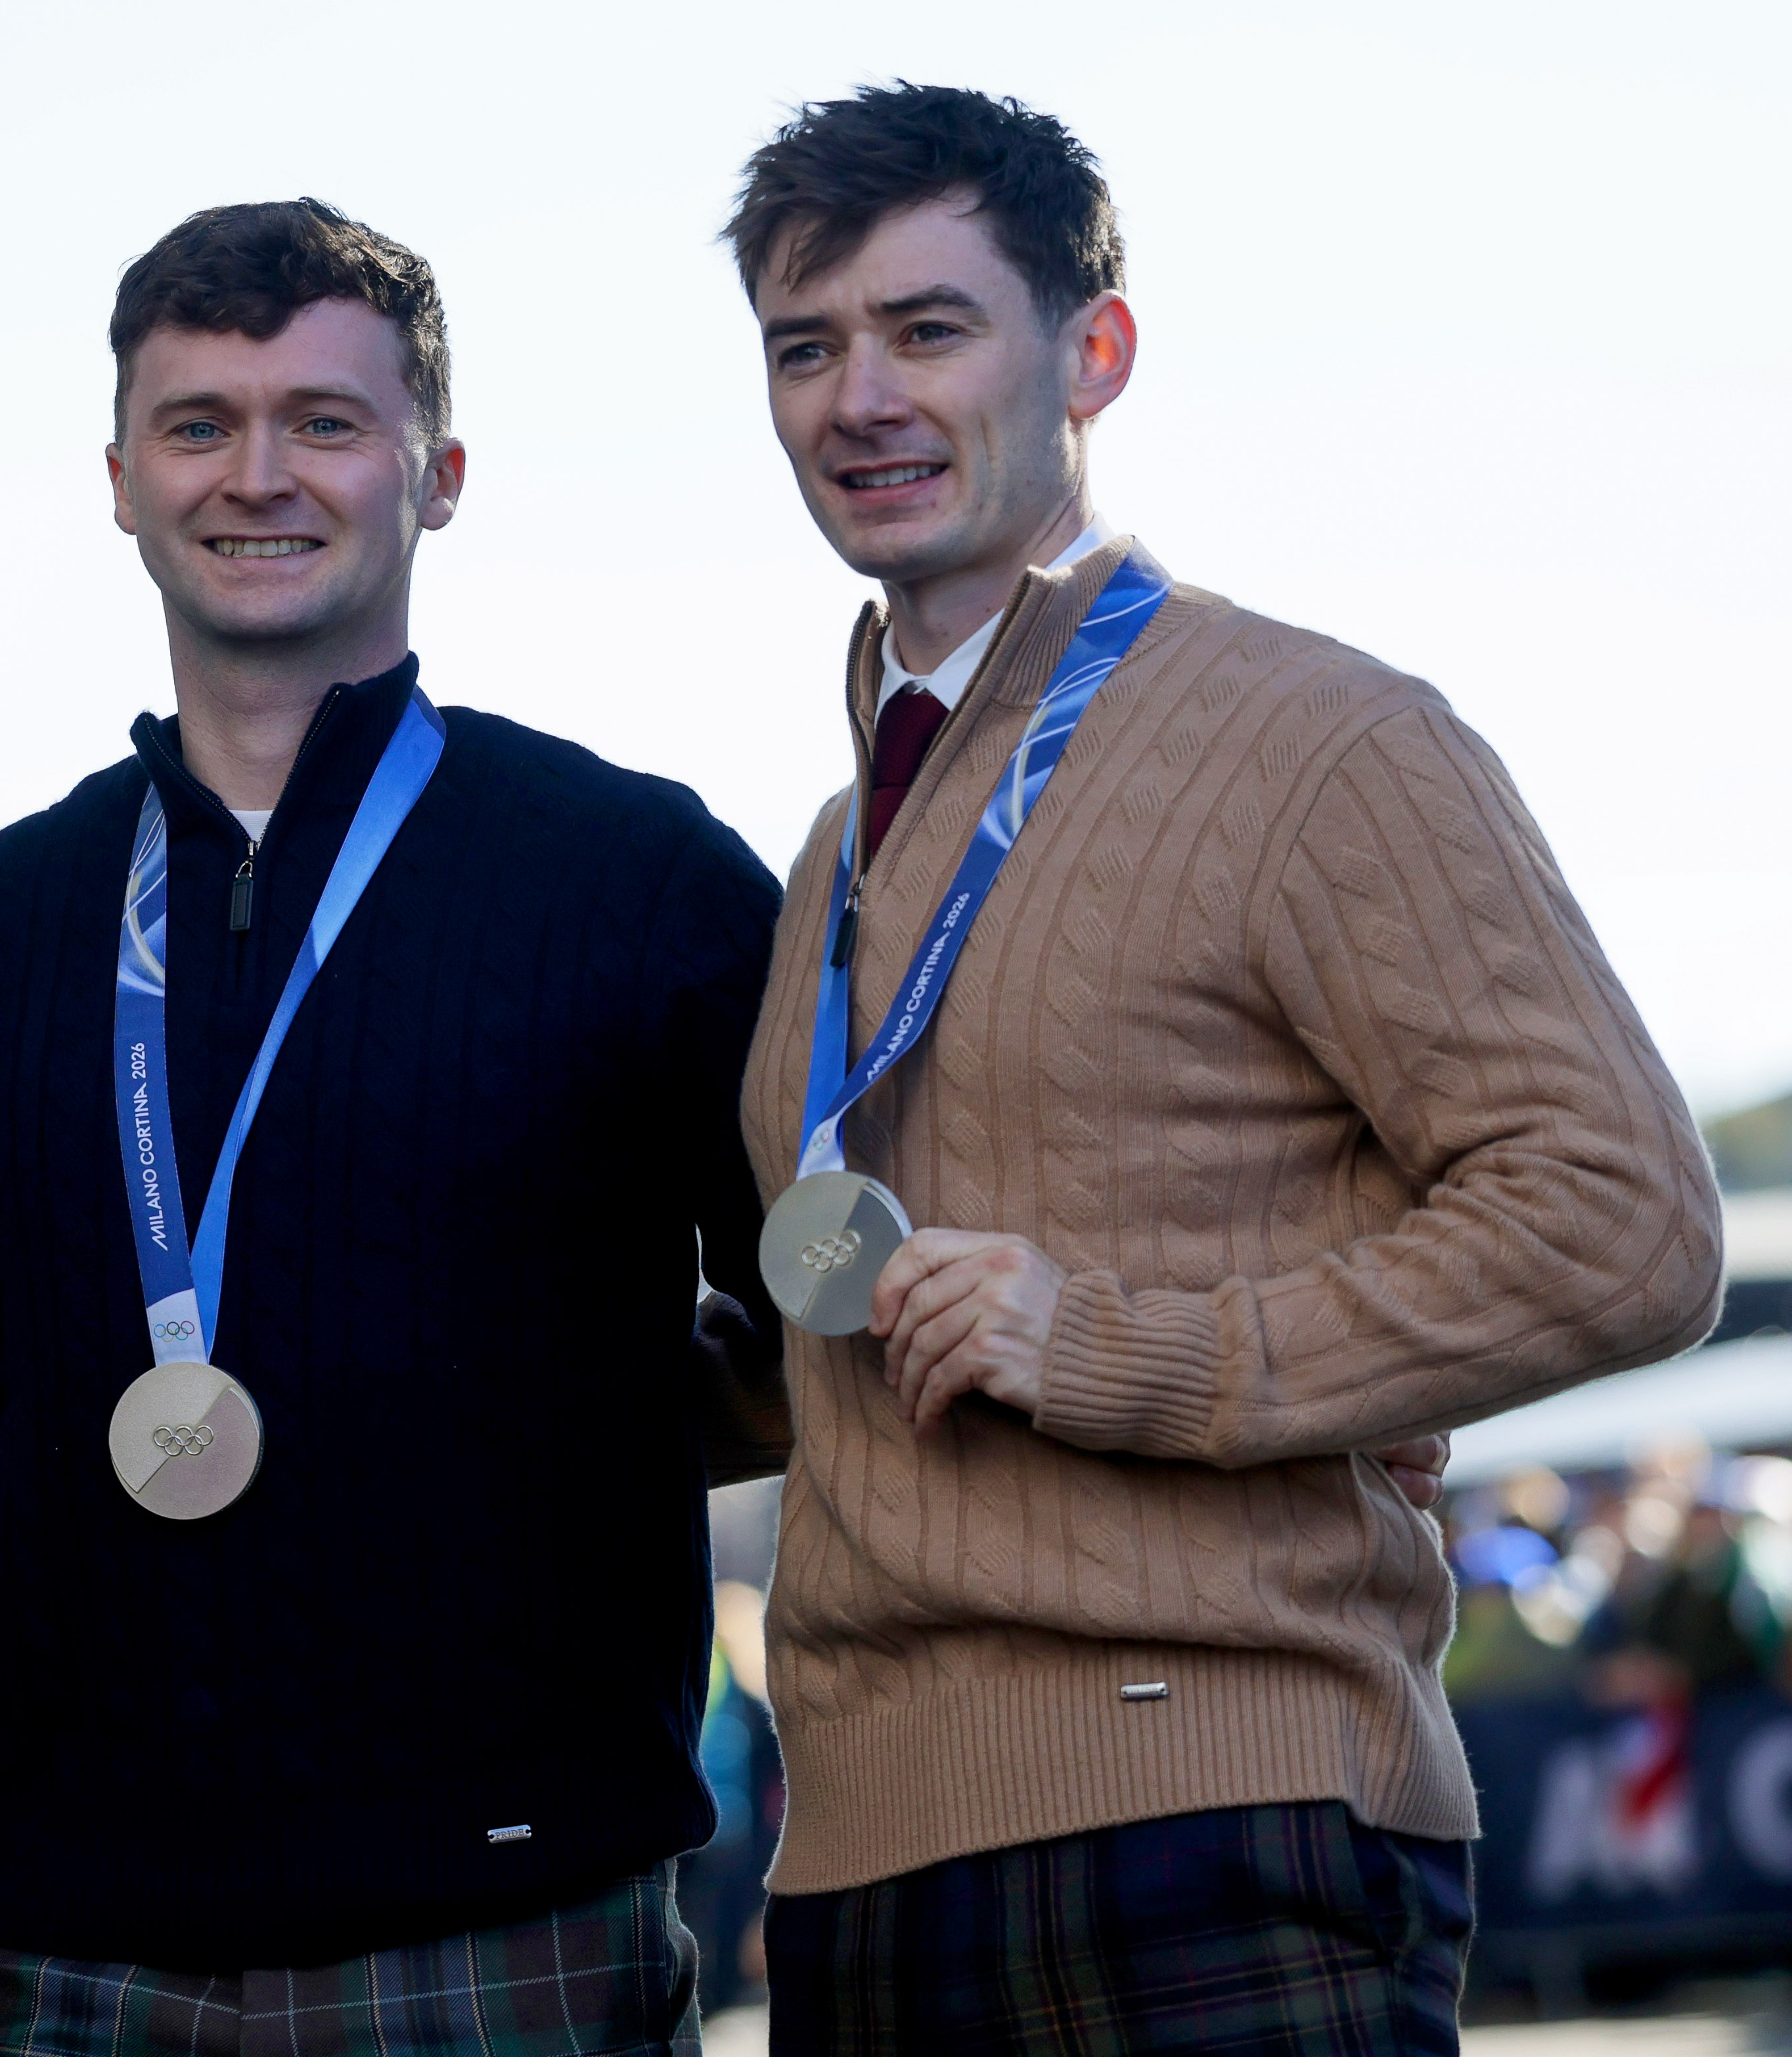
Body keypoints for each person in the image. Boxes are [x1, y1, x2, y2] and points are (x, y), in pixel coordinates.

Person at [718, 86, 1724, 2052]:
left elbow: (1622, 1224)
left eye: (928, 329)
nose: (860, 397)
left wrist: (1113, 1344)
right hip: (851, 1869)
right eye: (803, 344)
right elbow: (862, 1333)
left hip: (1215, 1826)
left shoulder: (1319, 739)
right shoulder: (832, 855)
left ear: (1091, 350)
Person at [0, 199, 784, 2056]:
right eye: (200, 423)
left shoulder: (640, 879)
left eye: (323, 419)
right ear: (119, 479)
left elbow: (818, 1316)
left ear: (436, 473)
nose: (256, 473)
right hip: (87, 1943)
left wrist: (553, 1427)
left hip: (514, 1910)